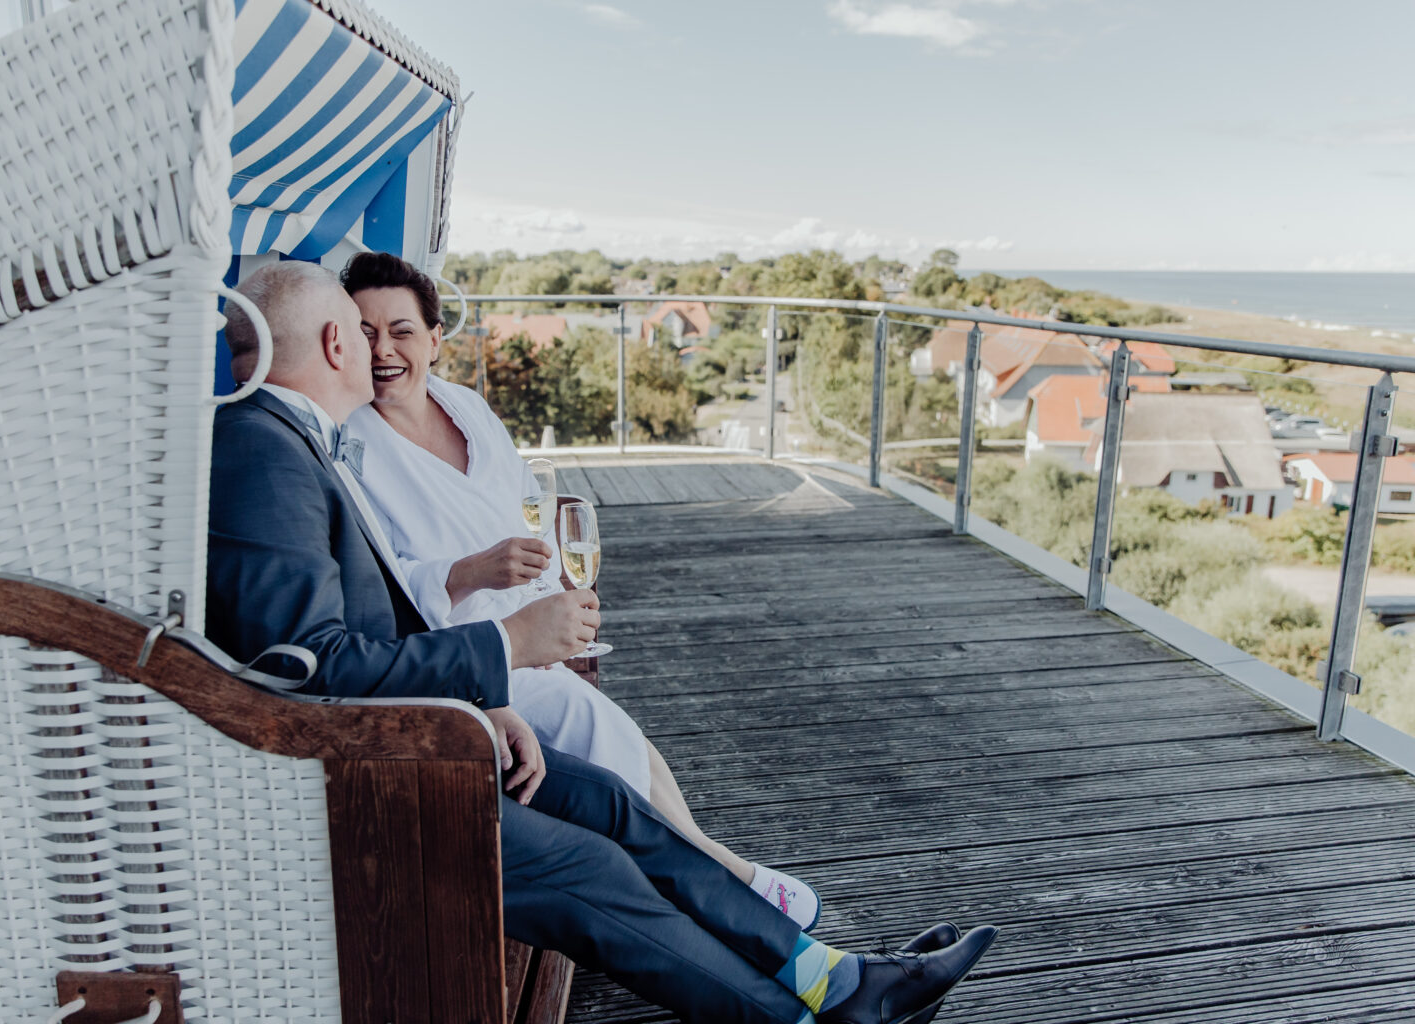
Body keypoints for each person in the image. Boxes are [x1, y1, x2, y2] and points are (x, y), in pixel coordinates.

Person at [207, 260, 997, 1024]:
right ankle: (814, 1015)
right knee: (591, 866)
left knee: (610, 800)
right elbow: (308, 667)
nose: (379, 351)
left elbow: (341, 643)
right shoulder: (261, 451)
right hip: (376, 781)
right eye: (358, 327)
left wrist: (473, 704)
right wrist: (502, 647)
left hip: (419, 733)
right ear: (337, 344)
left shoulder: (292, 439)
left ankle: (833, 975)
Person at [336, 250, 819, 928]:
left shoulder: (466, 407)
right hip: (468, 653)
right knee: (602, 731)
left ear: (436, 338)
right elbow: (376, 589)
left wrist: (560, 588)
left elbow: (529, 502)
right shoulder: (352, 442)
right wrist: (472, 573)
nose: (383, 349)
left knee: (626, 744)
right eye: (363, 332)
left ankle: (723, 874)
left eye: (401, 330)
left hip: (531, 623)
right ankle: (729, 883)